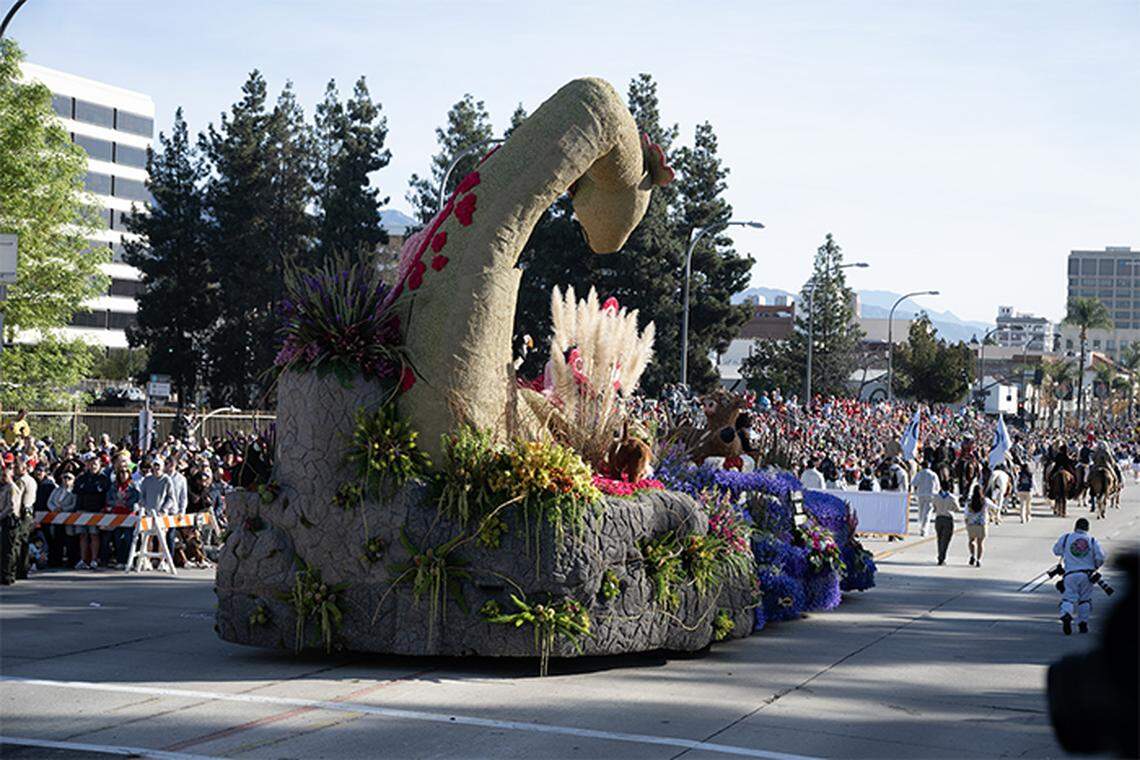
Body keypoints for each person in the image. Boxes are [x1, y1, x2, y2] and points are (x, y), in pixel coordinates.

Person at [1052, 517, 1106, 635]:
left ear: (1075, 527)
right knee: (1085, 599)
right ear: (1087, 528)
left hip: (1070, 574)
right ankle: (1083, 624)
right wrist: (1095, 567)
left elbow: (1056, 551)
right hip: (1087, 575)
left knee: (1068, 598)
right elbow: (1100, 557)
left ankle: (1066, 614)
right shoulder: (1092, 540)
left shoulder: (1066, 538)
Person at [73, 454, 110, 570]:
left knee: (94, 535)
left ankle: (94, 559)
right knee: (82, 535)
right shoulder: (81, 478)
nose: (93, 466)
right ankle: (83, 560)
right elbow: (77, 491)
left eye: (95, 464)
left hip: (96, 511)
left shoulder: (103, 479)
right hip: (82, 510)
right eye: (90, 464)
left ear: (100, 466)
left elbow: (103, 493)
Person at [1, 462, 24, 584]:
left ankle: (8, 575)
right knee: (3, 549)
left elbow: (11, 506)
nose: (2, 478)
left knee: (9, 550)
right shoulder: (4, 487)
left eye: (5, 476)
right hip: (4, 520)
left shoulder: (12, 488)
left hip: (10, 520)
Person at [930, 486, 960, 565]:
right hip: (948, 518)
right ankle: (942, 557)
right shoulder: (952, 497)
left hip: (939, 518)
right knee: (946, 540)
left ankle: (940, 555)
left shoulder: (936, 497)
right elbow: (957, 508)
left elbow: (934, 507)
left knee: (939, 538)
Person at [912, 461, 940, 537]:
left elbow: (914, 483)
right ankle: (924, 529)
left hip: (921, 494)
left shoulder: (919, 474)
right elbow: (937, 486)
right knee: (927, 513)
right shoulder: (933, 474)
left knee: (921, 511)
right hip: (930, 495)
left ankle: (921, 526)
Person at [965, 485, 990, 567]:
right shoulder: (985, 501)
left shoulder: (969, 501)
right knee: (980, 543)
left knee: (971, 541)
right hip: (981, 524)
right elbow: (995, 507)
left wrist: (966, 521)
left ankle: (972, 555)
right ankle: (979, 560)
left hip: (971, 524)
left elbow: (966, 513)